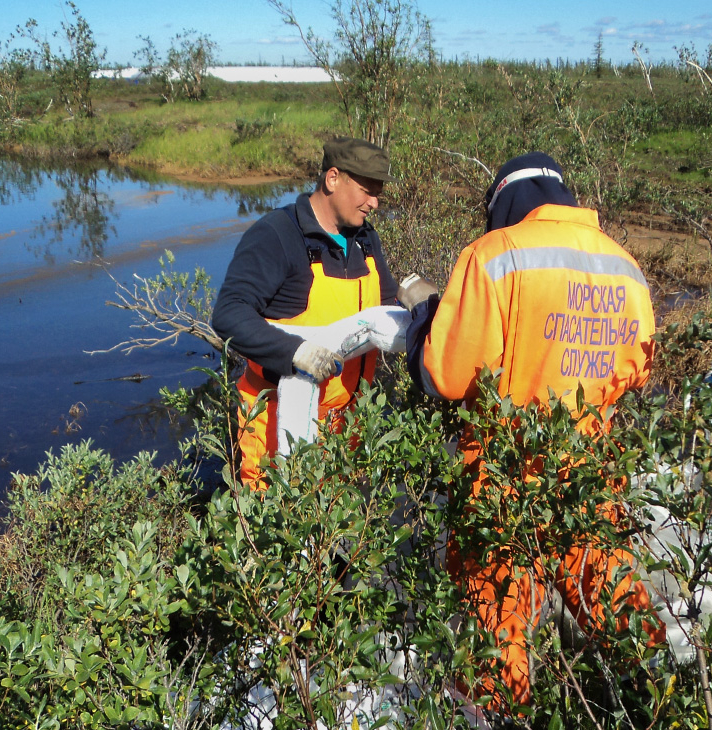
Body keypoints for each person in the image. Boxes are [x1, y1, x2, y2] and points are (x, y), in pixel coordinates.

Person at [401, 152, 661, 708]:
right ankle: (659, 700)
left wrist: (425, 323)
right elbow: (637, 374)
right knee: (609, 592)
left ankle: (501, 714)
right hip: (591, 474)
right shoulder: (625, 266)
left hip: (502, 478)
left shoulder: (494, 256)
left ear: (505, 204)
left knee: (498, 618)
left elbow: (445, 376)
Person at [212, 137, 398, 487]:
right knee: (277, 534)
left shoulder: (364, 238)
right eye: (366, 190)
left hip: (346, 433)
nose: (375, 203)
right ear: (332, 179)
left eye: (379, 192)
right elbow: (228, 313)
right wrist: (294, 352)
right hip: (277, 430)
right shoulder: (276, 236)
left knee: (337, 537)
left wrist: (416, 302)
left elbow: (386, 302)